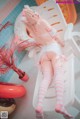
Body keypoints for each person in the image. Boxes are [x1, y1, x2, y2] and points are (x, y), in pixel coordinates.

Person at [22, 6, 73, 119]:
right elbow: (54, 35)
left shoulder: (30, 27)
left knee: (46, 78)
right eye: (34, 13)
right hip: (53, 49)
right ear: (35, 15)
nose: (36, 14)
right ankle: (59, 103)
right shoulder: (42, 22)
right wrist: (62, 43)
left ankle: (39, 105)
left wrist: (27, 19)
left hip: (43, 53)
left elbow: (34, 36)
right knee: (58, 73)